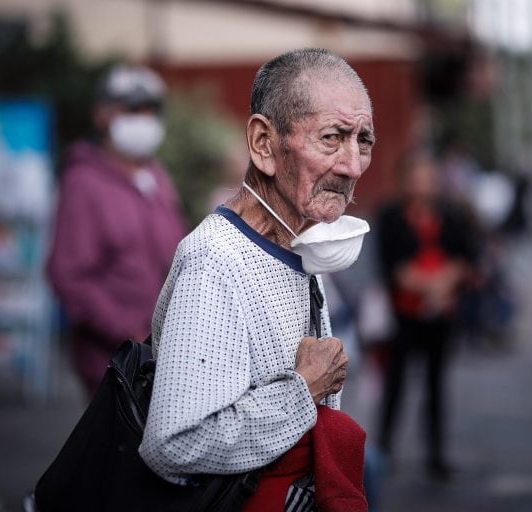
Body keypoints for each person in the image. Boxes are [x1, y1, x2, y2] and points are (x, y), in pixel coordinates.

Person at [138, 49, 373, 511]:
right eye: (332, 137)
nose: (353, 166)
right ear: (264, 143)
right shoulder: (216, 263)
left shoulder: (298, 241)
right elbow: (173, 443)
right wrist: (303, 390)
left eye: (362, 140)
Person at [46, 64, 187, 398]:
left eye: (150, 110)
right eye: (131, 109)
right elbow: (69, 276)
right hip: (115, 363)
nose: (142, 119)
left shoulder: (156, 176)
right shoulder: (83, 182)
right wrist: (130, 332)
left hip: (166, 355)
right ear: (102, 115)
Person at [375, 151, 476, 480]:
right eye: (416, 176)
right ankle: (384, 450)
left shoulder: (453, 214)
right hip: (403, 314)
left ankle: (435, 455)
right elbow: (391, 266)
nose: (423, 183)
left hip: (442, 314)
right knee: (396, 383)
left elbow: (467, 258)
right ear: (405, 180)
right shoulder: (390, 216)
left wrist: (446, 280)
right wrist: (427, 284)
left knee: (436, 385)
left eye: (428, 176)